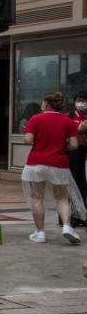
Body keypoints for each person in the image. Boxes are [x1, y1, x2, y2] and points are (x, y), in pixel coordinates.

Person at [21, 91, 85, 245]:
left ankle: (40, 233)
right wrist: (62, 147)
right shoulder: (68, 122)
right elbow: (75, 145)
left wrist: (33, 138)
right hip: (59, 163)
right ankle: (67, 227)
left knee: (37, 198)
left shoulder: (36, 119)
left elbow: (28, 140)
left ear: (47, 103)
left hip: (36, 163)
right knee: (62, 198)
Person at [67, 92, 87, 229]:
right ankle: (73, 216)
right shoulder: (70, 116)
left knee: (85, 187)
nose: (81, 103)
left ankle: (84, 216)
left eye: (84, 101)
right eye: (79, 100)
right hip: (74, 154)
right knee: (75, 185)